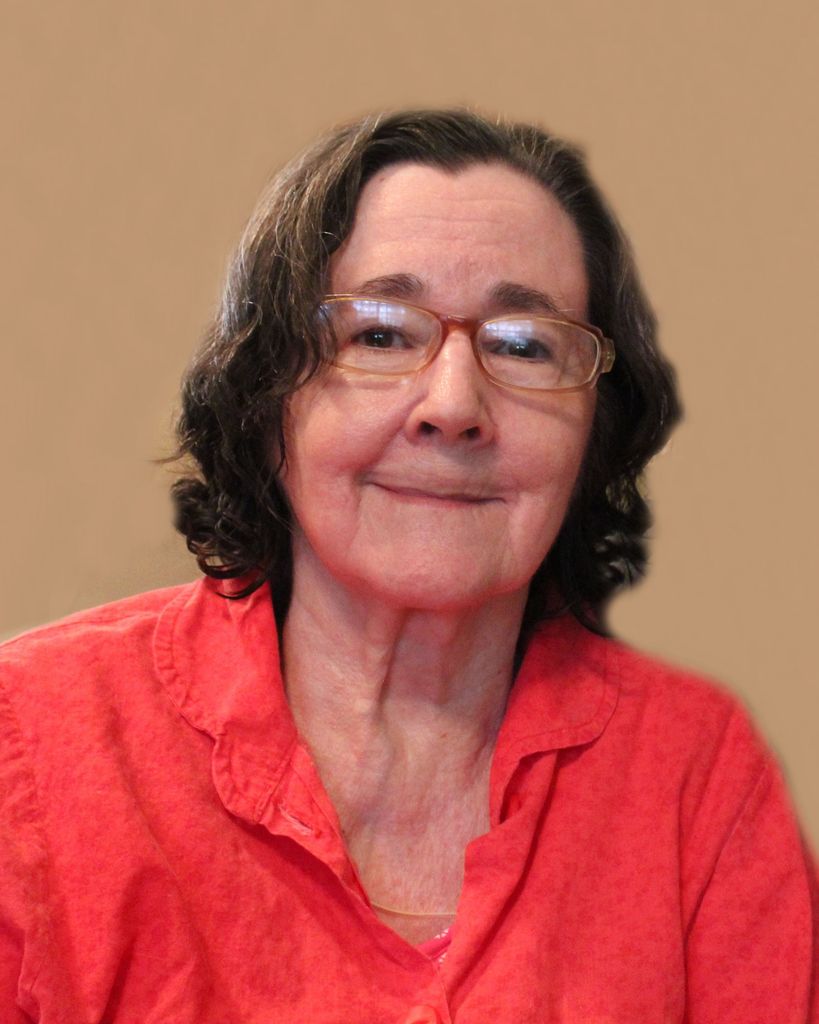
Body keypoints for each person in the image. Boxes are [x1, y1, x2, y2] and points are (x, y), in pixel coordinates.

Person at [0, 109, 815, 1023]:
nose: (454, 404)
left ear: (597, 431)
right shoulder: (29, 744)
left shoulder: (695, 774)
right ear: (265, 396)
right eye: (381, 334)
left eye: (523, 345)